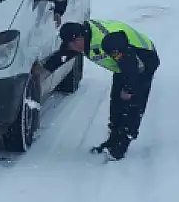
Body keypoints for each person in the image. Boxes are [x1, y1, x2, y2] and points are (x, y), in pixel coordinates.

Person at [38, 20, 160, 160]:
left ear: (78, 39)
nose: (70, 49)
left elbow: (131, 64)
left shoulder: (109, 41)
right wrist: (41, 73)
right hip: (123, 65)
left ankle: (121, 147)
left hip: (143, 61)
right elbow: (61, 57)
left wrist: (129, 89)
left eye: (71, 45)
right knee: (116, 103)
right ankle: (112, 141)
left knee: (132, 105)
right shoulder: (81, 39)